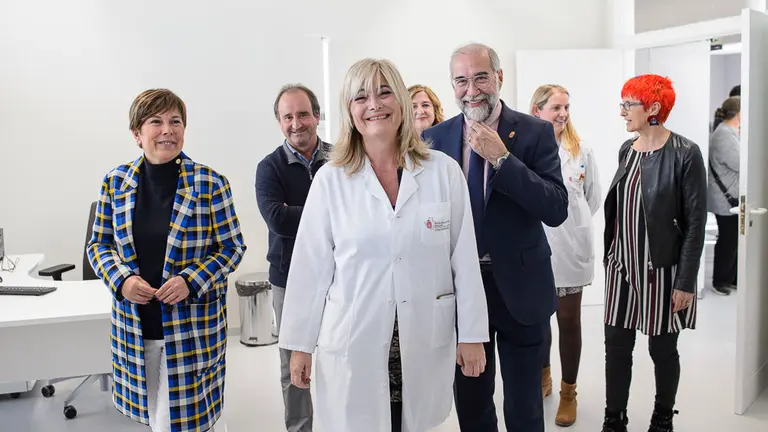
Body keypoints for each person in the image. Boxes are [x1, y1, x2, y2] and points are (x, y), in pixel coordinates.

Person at [277, 58, 490, 432]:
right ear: (349, 110)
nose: (374, 104)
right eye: (361, 96)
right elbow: (311, 269)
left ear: (403, 104)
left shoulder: (443, 172)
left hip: (423, 334)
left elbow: (464, 260)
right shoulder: (331, 180)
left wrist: (472, 333)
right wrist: (299, 344)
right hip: (354, 337)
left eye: (385, 92)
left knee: (414, 420)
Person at [423, 42, 568, 432]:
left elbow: (556, 208)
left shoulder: (535, 132)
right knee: (472, 407)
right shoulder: (434, 139)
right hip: (462, 292)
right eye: (461, 80)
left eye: (481, 77)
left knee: (524, 409)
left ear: (499, 78)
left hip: (522, 289)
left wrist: (504, 159)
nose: (472, 89)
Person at [87, 89, 246, 432]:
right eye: (155, 122)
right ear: (136, 134)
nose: (167, 130)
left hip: (191, 326)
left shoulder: (210, 183)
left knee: (181, 422)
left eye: (175, 121)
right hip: (136, 325)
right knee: (156, 416)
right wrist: (122, 280)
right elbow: (98, 245)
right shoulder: (115, 183)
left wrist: (190, 280)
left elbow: (232, 248)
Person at [602, 75, 706, 432]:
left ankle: (662, 416)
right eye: (623, 103)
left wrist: (686, 281)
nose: (622, 112)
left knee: (661, 350)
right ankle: (613, 418)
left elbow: (695, 222)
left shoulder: (685, 153)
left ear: (654, 109)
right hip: (621, 267)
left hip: (661, 270)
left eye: (629, 104)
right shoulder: (626, 150)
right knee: (616, 347)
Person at [256, 83, 331, 431]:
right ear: (279, 122)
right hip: (289, 280)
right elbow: (277, 220)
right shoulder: (268, 168)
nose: (296, 123)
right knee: (294, 367)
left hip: (339, 277)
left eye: (303, 114)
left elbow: (361, 214)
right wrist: (330, 211)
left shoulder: (342, 157)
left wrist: (297, 211)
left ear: (317, 115)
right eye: (288, 117)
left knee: (337, 357)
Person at [530, 84, 601, 427]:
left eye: (566, 107)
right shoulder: (526, 149)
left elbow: (593, 198)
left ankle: (568, 391)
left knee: (569, 321)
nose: (562, 114)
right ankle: (543, 375)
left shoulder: (581, 150)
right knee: (539, 319)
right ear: (537, 112)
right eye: (555, 108)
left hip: (572, 247)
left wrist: (572, 227)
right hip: (538, 247)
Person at [708, 96, 740, 296]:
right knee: (728, 241)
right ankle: (721, 281)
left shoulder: (728, 132)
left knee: (733, 240)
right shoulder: (724, 135)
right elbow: (740, 163)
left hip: (728, 198)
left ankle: (731, 278)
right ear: (739, 113)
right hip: (726, 199)